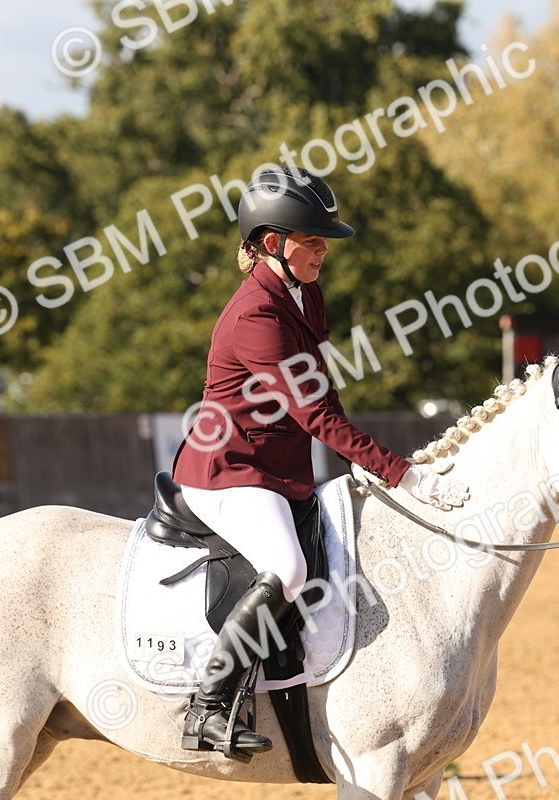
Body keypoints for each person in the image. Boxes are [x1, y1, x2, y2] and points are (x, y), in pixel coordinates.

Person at [171, 167, 469, 756]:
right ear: (274, 245)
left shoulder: (304, 294)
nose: (323, 252)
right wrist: (398, 471)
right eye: (313, 242)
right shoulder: (255, 314)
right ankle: (207, 706)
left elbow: (322, 395)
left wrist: (363, 458)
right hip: (229, 470)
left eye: (323, 241)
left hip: (277, 468)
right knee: (288, 568)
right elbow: (315, 418)